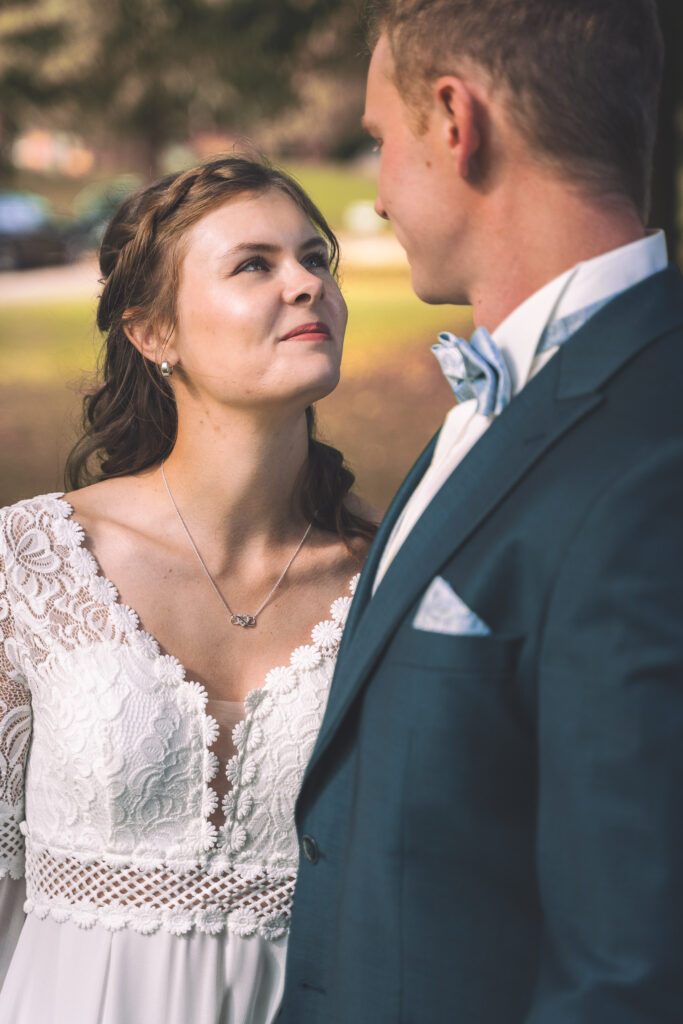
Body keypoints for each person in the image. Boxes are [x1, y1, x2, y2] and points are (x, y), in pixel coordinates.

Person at [280, 1, 683, 1021]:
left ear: (455, 121)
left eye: (377, 142)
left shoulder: (649, 449)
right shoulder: (497, 405)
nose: (371, 196)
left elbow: (629, 962)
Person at [0, 155, 376, 1024]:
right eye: (255, 264)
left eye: (316, 258)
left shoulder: (389, 580)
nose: (304, 284)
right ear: (152, 334)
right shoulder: (30, 561)